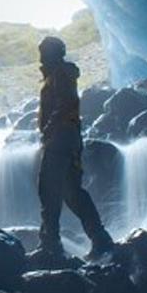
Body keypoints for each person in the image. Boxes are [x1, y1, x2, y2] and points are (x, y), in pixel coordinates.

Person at [35, 35, 113, 259]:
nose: (40, 55)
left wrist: (49, 127)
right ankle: (100, 239)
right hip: (68, 140)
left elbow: (66, 102)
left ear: (53, 53)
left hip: (60, 139)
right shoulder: (59, 74)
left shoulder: (61, 73)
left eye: (43, 50)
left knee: (49, 188)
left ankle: (51, 244)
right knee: (72, 193)